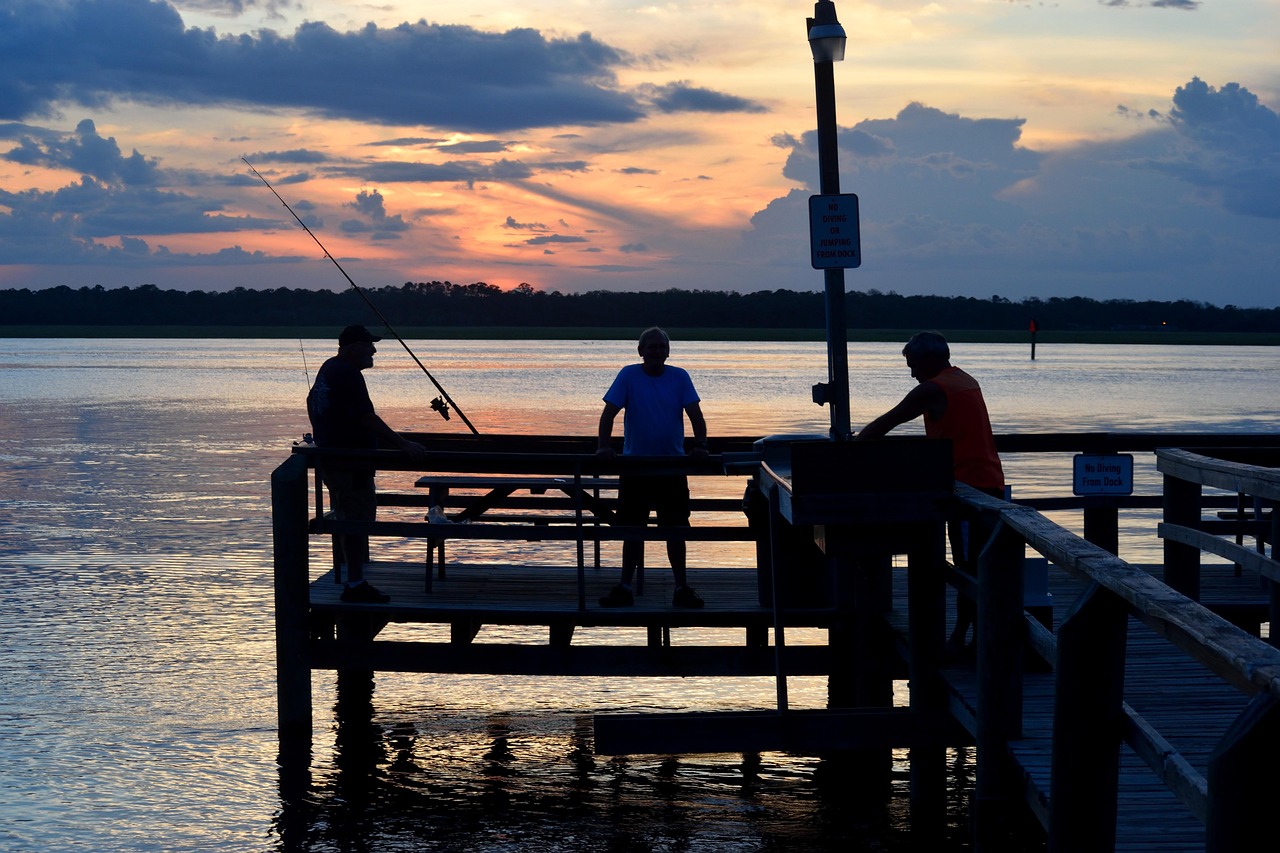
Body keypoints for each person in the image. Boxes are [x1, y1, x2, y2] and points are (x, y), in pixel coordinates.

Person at [856, 331, 1004, 654]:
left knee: (968, 567)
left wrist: (854, 446)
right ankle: (970, 638)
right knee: (977, 566)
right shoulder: (965, 380)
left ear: (929, 360)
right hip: (989, 483)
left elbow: (888, 422)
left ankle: (970, 641)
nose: (912, 373)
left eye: (913, 365)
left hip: (970, 490)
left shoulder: (933, 389)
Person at [307, 324, 427, 603]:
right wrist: (403, 443)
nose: (373, 350)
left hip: (335, 460)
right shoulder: (348, 373)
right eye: (368, 345)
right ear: (353, 348)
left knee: (347, 518)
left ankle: (353, 579)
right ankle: (355, 584)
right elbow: (366, 417)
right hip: (351, 464)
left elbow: (311, 402)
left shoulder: (330, 367)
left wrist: (324, 436)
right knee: (357, 520)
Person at [596, 327, 709, 608]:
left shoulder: (679, 377)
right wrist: (603, 446)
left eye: (661, 347)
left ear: (668, 351)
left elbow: (696, 415)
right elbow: (609, 413)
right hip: (636, 466)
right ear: (641, 351)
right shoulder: (629, 375)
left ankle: (681, 587)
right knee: (632, 529)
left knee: (676, 529)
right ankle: (625, 586)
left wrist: (700, 446)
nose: (657, 351)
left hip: (672, 466)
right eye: (652, 347)